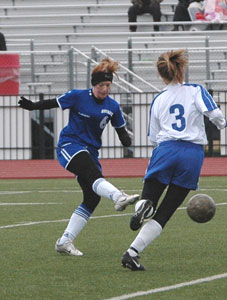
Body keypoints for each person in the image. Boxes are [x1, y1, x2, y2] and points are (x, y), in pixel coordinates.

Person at [18, 57, 139, 256]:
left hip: (91, 151)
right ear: (94, 84)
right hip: (70, 145)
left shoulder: (113, 106)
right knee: (92, 173)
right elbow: (53, 102)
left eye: (108, 85)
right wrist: (32, 106)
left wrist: (126, 139)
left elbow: (121, 131)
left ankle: (64, 241)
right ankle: (118, 197)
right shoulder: (78, 96)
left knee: (92, 198)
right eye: (101, 85)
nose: (105, 89)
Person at [121, 49, 227, 271]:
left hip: (166, 149)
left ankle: (143, 206)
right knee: (166, 212)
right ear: (182, 69)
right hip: (192, 154)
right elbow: (215, 115)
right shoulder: (195, 90)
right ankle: (132, 253)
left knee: (150, 197)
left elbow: (152, 136)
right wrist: (222, 124)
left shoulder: (159, 99)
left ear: (162, 74)